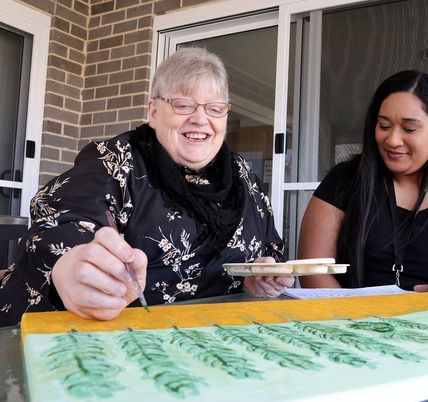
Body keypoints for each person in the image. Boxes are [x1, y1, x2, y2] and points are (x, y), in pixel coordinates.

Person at [0, 47, 293, 327]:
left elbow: (271, 247)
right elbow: (62, 220)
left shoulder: (244, 177)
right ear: (153, 112)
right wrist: (70, 267)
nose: (201, 119)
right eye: (183, 105)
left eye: (215, 108)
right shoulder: (115, 160)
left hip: (211, 340)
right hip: (102, 340)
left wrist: (261, 275)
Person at [299, 70, 428, 292]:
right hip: (350, 322)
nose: (393, 140)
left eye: (409, 129)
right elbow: (312, 272)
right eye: (384, 126)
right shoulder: (343, 181)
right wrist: (362, 321)